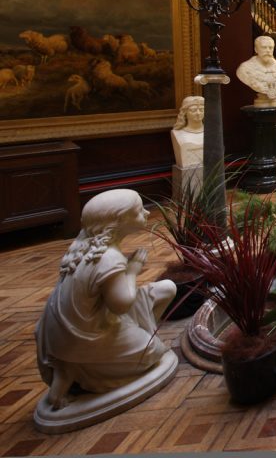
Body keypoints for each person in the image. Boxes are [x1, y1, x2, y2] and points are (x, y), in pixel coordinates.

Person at [35, 189, 175, 410]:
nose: (147, 213)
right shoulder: (109, 258)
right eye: (139, 211)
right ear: (119, 221)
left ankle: (67, 373)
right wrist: (133, 270)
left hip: (61, 336)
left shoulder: (82, 246)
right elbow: (121, 304)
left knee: (166, 288)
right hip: (91, 336)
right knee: (155, 352)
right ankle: (94, 372)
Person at [236, 35, 276, 107]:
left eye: (270, 48)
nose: (268, 50)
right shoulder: (244, 68)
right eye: (264, 47)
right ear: (256, 49)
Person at [170, 95, 204, 168]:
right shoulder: (177, 134)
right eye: (193, 110)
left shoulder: (212, 132)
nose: (198, 113)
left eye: (201, 109)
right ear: (185, 113)